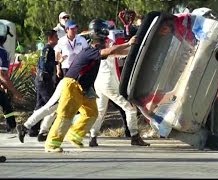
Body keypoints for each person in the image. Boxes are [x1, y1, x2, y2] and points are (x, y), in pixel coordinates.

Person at [44, 18, 149, 152]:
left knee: (92, 113)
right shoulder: (92, 50)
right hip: (72, 85)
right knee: (65, 115)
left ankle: (75, 135)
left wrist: (134, 48)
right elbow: (109, 51)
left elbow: (116, 53)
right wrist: (128, 43)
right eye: (105, 41)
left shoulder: (97, 51)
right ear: (100, 39)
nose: (107, 43)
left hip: (84, 87)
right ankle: (52, 144)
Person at [89, 36, 150, 147]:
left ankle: (93, 137)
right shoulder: (107, 51)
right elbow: (123, 51)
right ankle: (135, 136)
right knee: (130, 108)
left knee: (100, 112)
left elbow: (121, 52)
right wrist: (134, 44)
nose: (110, 42)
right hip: (108, 84)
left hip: (99, 83)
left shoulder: (94, 50)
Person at [16, 30, 58, 142]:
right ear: (50, 38)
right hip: (44, 81)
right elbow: (44, 63)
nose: (57, 39)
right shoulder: (48, 49)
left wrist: (55, 63)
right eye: (56, 37)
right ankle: (39, 131)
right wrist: (52, 67)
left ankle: (33, 130)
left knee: (40, 106)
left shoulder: (46, 49)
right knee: (53, 105)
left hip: (41, 80)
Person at [0, 22, 24, 132]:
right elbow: (2, 74)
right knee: (5, 103)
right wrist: (14, 91)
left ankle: (11, 126)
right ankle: (12, 126)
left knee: (5, 103)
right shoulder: (2, 52)